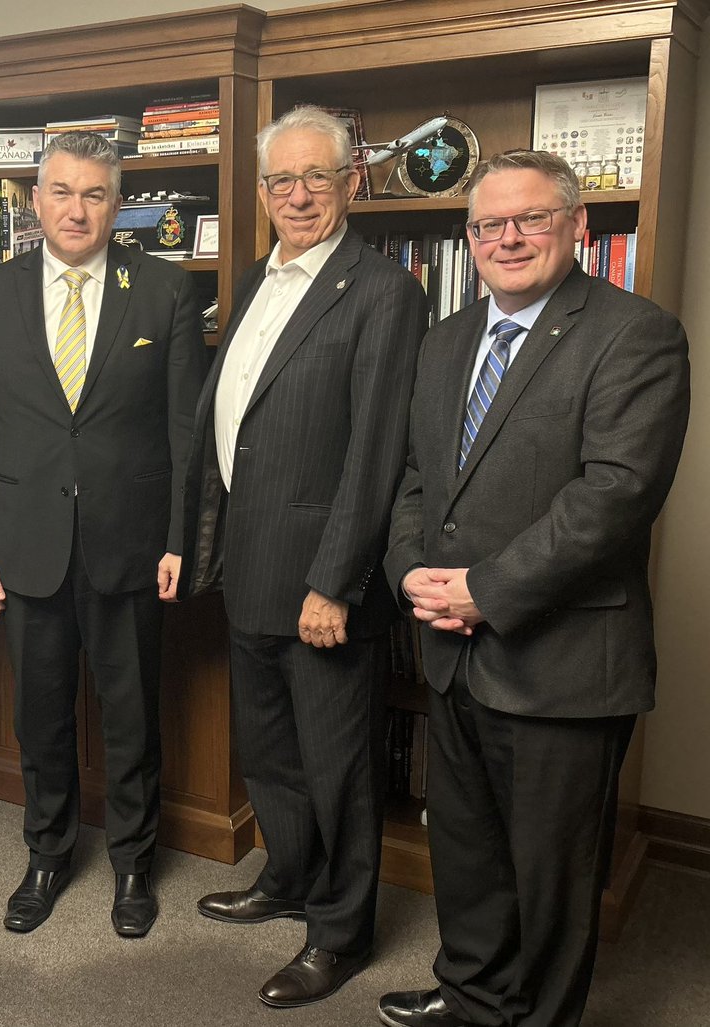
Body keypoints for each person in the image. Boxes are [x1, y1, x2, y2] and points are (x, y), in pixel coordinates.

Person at [379, 149, 690, 1027]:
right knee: (468, 849)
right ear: (469, 238)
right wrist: (411, 571)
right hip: (450, 649)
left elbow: (615, 497)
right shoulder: (444, 341)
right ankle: (475, 995)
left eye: (531, 219)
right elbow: (414, 479)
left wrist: (485, 587)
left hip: (563, 661)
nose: (507, 237)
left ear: (577, 228)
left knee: (553, 874)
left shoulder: (636, 333)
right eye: (487, 225)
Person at [179, 104, 428, 1008]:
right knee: (273, 751)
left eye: (314, 177)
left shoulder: (384, 293)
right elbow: (235, 426)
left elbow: (375, 452)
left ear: (349, 181)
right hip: (249, 565)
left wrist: (336, 582)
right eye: (280, 180)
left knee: (341, 765)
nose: (296, 195)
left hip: (322, 580)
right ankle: (287, 876)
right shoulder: (256, 278)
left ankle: (340, 931)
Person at [0, 131, 206, 938]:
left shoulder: (164, 291)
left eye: (95, 193)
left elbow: (183, 433)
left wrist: (176, 538)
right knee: (41, 714)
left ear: (117, 202)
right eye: (61, 191)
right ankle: (47, 853)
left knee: (131, 715)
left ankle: (133, 864)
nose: (77, 208)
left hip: (129, 545)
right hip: (24, 547)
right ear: (34, 201)